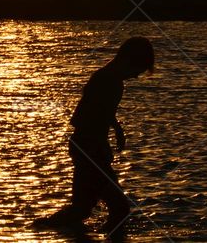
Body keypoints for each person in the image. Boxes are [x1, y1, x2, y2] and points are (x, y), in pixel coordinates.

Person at [34, 36, 155, 233]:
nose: (137, 76)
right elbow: (89, 116)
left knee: (81, 210)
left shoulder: (106, 78)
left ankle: (43, 228)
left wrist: (116, 129)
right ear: (130, 61)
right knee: (120, 209)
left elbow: (101, 112)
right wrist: (101, 147)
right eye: (139, 69)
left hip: (83, 146)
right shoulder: (110, 81)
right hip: (89, 148)